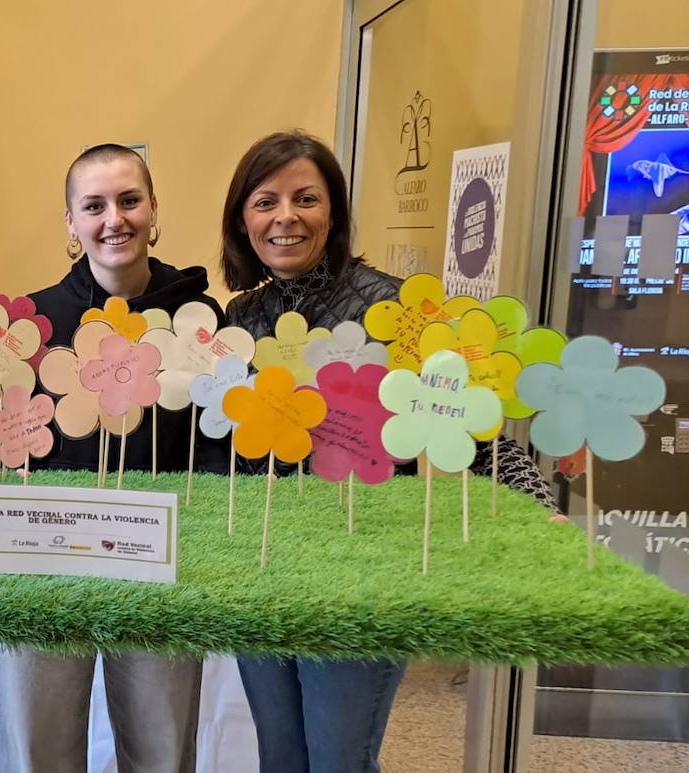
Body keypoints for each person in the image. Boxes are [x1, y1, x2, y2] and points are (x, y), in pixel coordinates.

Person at [218, 130, 556, 773]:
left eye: (305, 199)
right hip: (261, 566)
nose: (285, 217)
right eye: (265, 201)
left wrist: (533, 506)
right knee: (279, 757)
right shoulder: (241, 318)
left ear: (335, 213)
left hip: (364, 568)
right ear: (243, 219)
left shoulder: (395, 309)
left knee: (341, 758)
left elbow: (473, 429)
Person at [0, 144, 223, 773]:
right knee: (37, 747)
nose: (113, 219)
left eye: (128, 200)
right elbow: (6, 445)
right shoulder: (32, 322)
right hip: (46, 563)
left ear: (153, 209)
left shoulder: (200, 318)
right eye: (93, 206)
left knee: (160, 746)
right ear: (70, 222)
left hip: (162, 564)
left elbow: (217, 442)